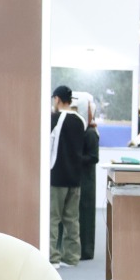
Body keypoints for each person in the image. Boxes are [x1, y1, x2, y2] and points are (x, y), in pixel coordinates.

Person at [48, 84, 87, 267]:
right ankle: (71, 257)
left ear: (57, 99)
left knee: (53, 218)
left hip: (57, 176)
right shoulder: (80, 120)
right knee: (72, 219)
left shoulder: (55, 118)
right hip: (75, 177)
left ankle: (52, 257)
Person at [77, 99, 100, 262]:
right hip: (84, 178)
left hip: (87, 180)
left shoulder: (90, 133)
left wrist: (75, 157)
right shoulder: (87, 131)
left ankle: (86, 250)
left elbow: (93, 157)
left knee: (86, 216)